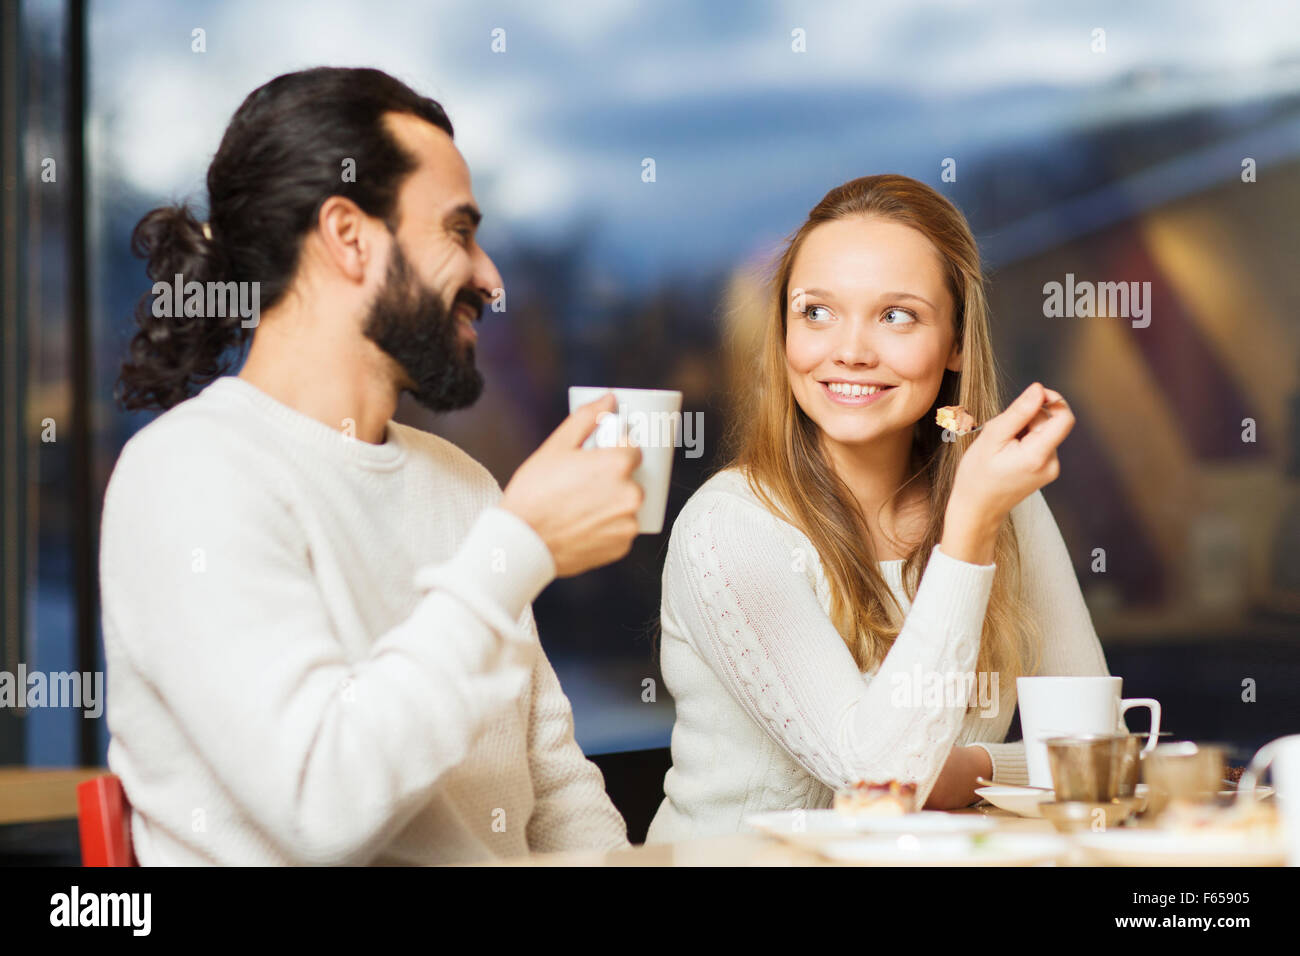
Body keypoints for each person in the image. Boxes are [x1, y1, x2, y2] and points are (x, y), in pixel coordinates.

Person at [100, 67, 644, 865]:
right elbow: (323, 806)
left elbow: (556, 792)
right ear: (349, 237)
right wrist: (518, 545)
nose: (491, 280)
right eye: (459, 232)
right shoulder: (187, 475)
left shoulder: (461, 485)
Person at [645, 174, 1110, 843]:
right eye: (817, 312)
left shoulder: (1001, 498)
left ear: (954, 343)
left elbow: (1094, 750)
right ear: (782, 333)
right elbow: (880, 779)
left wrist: (970, 768)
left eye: (897, 315)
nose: (853, 350)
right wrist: (968, 531)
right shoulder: (728, 531)